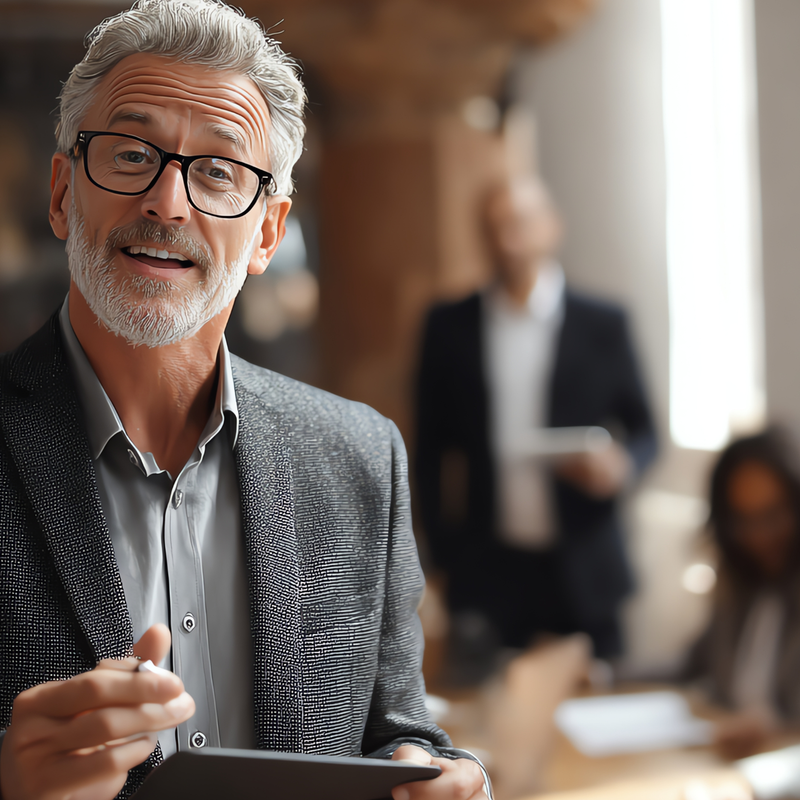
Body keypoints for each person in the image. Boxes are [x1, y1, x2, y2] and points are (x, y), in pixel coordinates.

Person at [0, 2, 489, 799]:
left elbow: (398, 731)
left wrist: (444, 775)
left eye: (218, 172)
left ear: (268, 233)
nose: (167, 202)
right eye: (131, 154)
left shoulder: (361, 457)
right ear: (62, 194)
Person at [415, 176, 657, 665]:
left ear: (552, 227)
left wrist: (622, 466)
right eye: (494, 228)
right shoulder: (449, 327)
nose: (508, 241)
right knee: (485, 705)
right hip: (489, 570)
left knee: (596, 701)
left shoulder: (603, 323)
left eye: (519, 224)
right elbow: (428, 451)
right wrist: (443, 556)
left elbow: (646, 431)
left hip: (584, 563)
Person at [684, 427, 800, 758]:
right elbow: (690, 663)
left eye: (772, 516)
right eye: (744, 520)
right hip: (727, 760)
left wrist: (776, 725)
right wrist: (604, 673)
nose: (760, 536)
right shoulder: (738, 586)